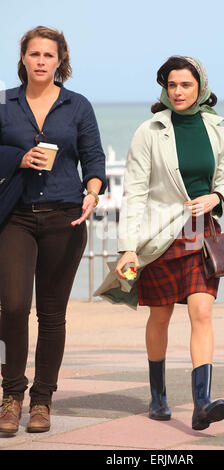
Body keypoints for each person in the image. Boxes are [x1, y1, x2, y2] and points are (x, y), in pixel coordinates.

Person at [95, 56, 224, 431]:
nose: (178, 91)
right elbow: (135, 192)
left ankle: (202, 402)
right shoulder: (149, 131)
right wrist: (127, 246)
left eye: (185, 85)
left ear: (200, 86)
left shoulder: (217, 129)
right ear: (164, 88)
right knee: (160, 315)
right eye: (172, 85)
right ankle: (158, 395)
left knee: (201, 312)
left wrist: (216, 197)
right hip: (160, 237)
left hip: (202, 235)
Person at [0, 26, 106, 434]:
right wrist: (18, 158)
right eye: (34, 54)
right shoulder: (5, 104)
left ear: (61, 60)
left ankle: (42, 400)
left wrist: (93, 193)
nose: (41, 61)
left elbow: (94, 157)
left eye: (49, 54)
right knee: (11, 307)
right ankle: (11, 395)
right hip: (15, 216)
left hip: (65, 215)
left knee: (52, 313)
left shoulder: (77, 106)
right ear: (23, 59)